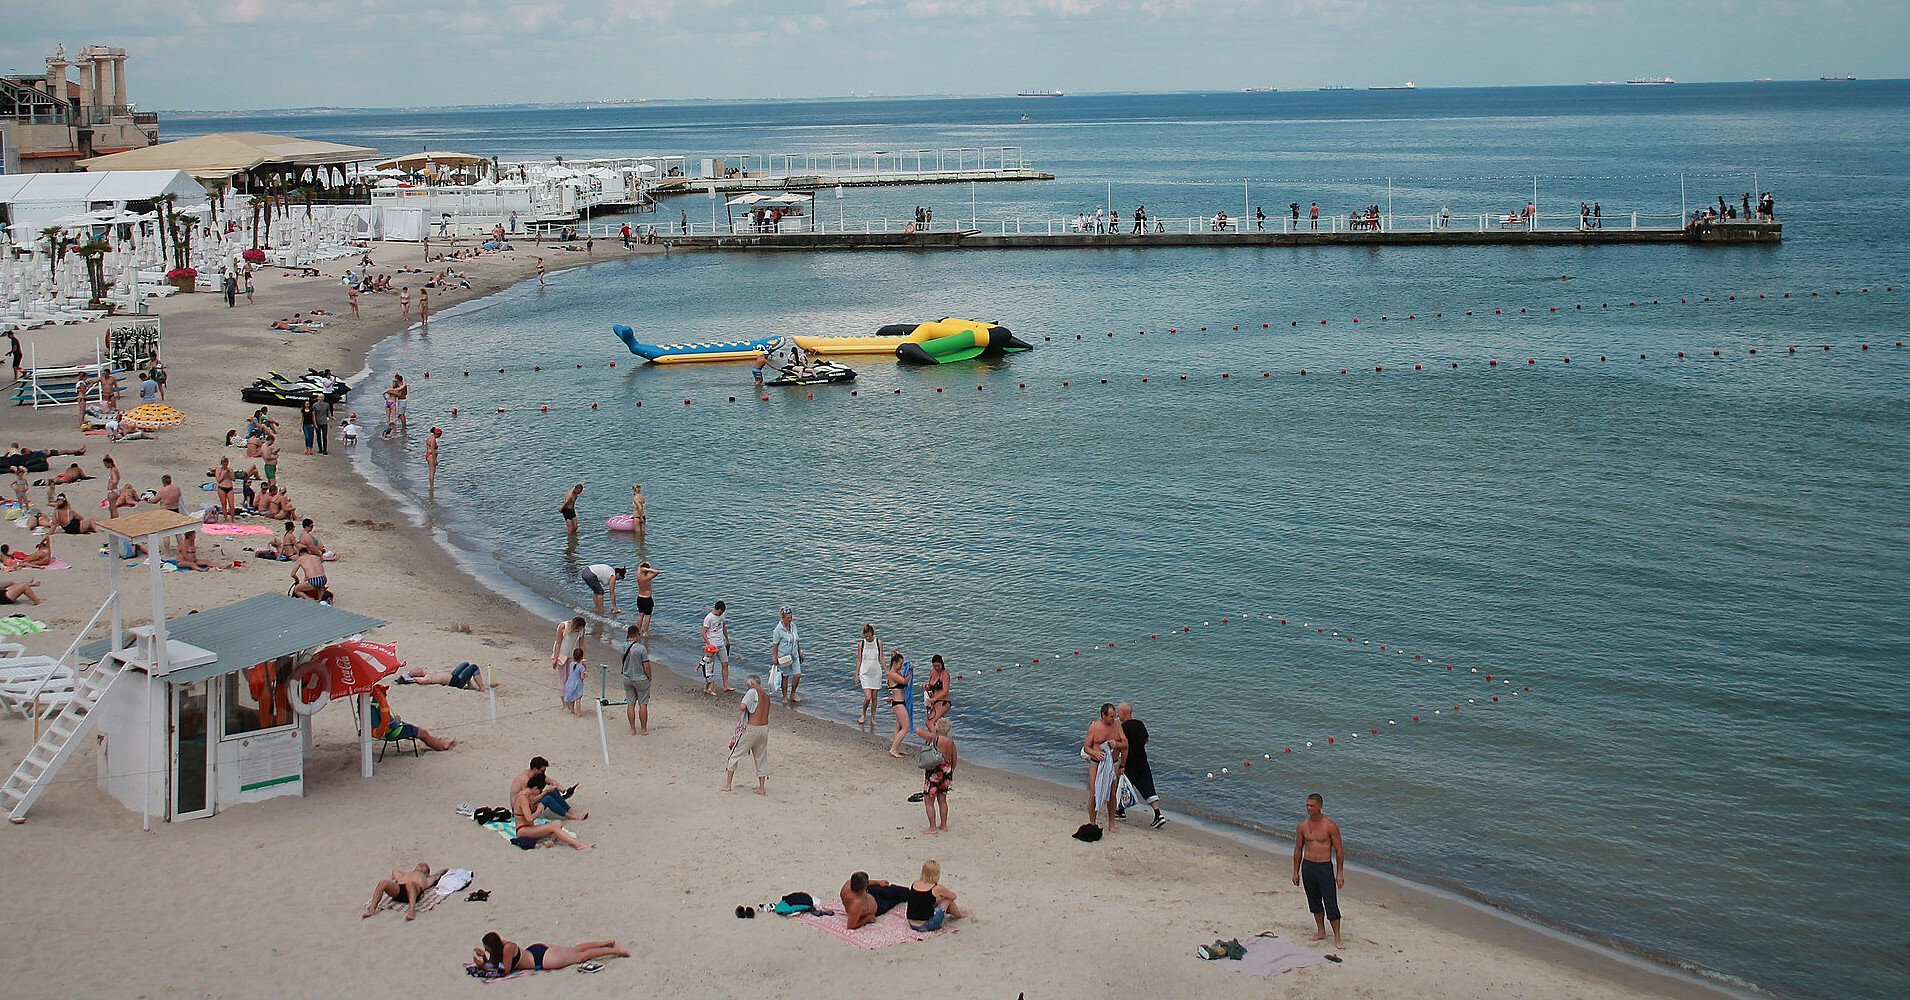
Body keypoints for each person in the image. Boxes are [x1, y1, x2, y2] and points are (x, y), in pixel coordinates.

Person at [1293, 793, 1346, 948]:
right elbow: (1298, 849)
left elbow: (1339, 850)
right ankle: (1321, 931)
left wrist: (1340, 873)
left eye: (1312, 806)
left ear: (1320, 807)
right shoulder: (1302, 826)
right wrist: (1295, 872)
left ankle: (1337, 937)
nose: (1309, 808)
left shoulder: (1330, 826)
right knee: (1314, 901)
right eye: (1307, 805)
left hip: (1324, 867)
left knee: (1330, 902)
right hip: (1308, 866)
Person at [473, 932, 624, 976]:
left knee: (580, 957)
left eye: (487, 949)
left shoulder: (507, 949)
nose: (486, 950)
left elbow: (504, 970)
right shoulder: (502, 947)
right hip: (536, 950)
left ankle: (614, 951)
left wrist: (483, 967)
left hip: (542, 959)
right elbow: (498, 964)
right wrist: (485, 958)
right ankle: (606, 943)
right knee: (574, 950)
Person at [1116, 702, 1167, 828]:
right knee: (1148, 787)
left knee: (1123, 786)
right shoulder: (1140, 724)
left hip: (1129, 762)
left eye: (1119, 712)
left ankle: (1121, 811)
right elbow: (1146, 739)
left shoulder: (1122, 728)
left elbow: (1124, 746)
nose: (1118, 714)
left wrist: (1121, 764)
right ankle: (1158, 814)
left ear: (1124, 713)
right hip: (1142, 760)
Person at [510, 775, 590, 849]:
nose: (539, 793)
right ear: (535, 788)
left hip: (529, 828)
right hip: (523, 830)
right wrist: (538, 811)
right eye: (540, 790)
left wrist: (547, 791)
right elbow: (529, 819)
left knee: (558, 823)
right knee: (554, 827)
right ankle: (577, 845)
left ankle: (550, 841)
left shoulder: (526, 794)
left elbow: (533, 800)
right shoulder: (522, 798)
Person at [721, 674, 770, 795]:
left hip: (752, 728)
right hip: (764, 728)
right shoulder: (766, 695)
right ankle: (761, 788)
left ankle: (728, 785)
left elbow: (742, 706)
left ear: (751, 684)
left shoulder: (752, 692)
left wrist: (747, 706)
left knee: (735, 754)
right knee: (761, 757)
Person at [1083, 702, 1127, 836]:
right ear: (1103, 715)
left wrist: (1117, 743)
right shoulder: (1094, 727)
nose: (1113, 719)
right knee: (1094, 793)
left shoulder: (1117, 725)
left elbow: (1125, 744)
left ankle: (1111, 823)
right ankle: (1092, 822)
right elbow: (1086, 747)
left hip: (1112, 762)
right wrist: (1095, 753)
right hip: (1097, 763)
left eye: (1115, 716)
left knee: (1111, 793)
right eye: (1111, 717)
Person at [510, 756, 585, 820]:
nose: (544, 773)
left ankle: (570, 811)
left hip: (528, 804)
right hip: (521, 810)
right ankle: (570, 816)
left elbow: (552, 782)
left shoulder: (536, 775)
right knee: (547, 799)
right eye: (542, 771)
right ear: (535, 769)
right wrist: (546, 792)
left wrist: (565, 791)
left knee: (553, 791)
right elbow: (531, 800)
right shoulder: (525, 780)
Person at [915, 717, 956, 834]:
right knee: (942, 800)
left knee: (929, 801)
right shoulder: (951, 742)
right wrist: (950, 771)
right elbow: (954, 759)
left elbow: (919, 731)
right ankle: (943, 824)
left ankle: (932, 827)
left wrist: (926, 729)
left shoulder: (935, 739)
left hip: (933, 773)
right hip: (946, 772)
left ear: (937, 728)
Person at [362, 862, 441, 921]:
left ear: (427, 872)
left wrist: (444, 871)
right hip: (400, 890)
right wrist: (405, 875)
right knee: (383, 882)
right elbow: (395, 871)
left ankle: (411, 910)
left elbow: (438, 875)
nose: (422, 866)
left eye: (424, 866)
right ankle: (372, 909)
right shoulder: (405, 874)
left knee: (410, 884)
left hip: (415, 890)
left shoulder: (427, 878)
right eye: (420, 864)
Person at [905, 860, 969, 932]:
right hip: (926, 925)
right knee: (947, 901)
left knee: (935, 898)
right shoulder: (936, 888)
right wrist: (943, 895)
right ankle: (959, 915)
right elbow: (953, 896)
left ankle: (953, 912)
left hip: (911, 923)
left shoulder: (914, 884)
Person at [841, 871, 912, 930]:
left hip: (871, 893)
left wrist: (878, 882)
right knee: (897, 898)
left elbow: (866, 883)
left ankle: (913, 892)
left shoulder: (849, 884)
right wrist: (867, 919)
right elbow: (850, 926)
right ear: (863, 888)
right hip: (879, 906)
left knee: (893, 889)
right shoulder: (856, 903)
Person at [619, 624, 651, 735]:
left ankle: (632, 729)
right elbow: (646, 665)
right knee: (643, 704)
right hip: (640, 678)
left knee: (630, 704)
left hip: (628, 677)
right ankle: (643, 729)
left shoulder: (623, 646)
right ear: (637, 635)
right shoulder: (641, 648)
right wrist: (649, 677)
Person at [769, 606, 804, 705]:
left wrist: (799, 651)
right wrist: (775, 658)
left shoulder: (793, 626)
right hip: (784, 656)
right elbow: (775, 645)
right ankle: (784, 696)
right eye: (788, 618)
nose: (790, 620)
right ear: (783, 618)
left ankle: (792, 694)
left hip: (794, 655)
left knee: (797, 675)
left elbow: (796, 640)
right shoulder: (778, 630)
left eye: (791, 617)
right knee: (785, 676)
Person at [854, 623, 884, 725]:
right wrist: (856, 674)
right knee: (868, 697)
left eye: (869, 635)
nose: (867, 637)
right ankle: (863, 714)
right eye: (865, 635)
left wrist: (887, 671)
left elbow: (881, 658)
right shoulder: (861, 644)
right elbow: (859, 660)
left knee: (874, 697)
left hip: (876, 671)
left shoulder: (878, 642)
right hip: (865, 672)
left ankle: (872, 718)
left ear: (872, 633)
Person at [701, 600, 733, 694]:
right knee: (710, 667)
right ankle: (709, 687)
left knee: (725, 663)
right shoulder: (709, 618)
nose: (721, 614)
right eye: (720, 612)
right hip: (712, 645)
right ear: (717, 609)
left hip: (721, 643)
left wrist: (727, 639)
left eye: (722, 612)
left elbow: (723, 627)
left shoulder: (722, 616)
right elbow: (703, 632)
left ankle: (726, 685)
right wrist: (708, 644)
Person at [392, 662, 489, 692]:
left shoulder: (425, 672)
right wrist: (411, 679)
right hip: (456, 682)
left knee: (465, 664)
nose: (418, 668)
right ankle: (482, 687)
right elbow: (420, 681)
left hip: (452, 676)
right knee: (473, 667)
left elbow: (406, 673)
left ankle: (470, 685)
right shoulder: (425, 678)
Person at [886, 652, 912, 757]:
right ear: (895, 663)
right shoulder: (892, 674)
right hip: (898, 703)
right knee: (906, 727)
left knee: (899, 727)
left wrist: (904, 669)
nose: (901, 665)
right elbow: (905, 682)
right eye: (900, 663)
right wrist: (910, 671)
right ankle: (893, 749)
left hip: (900, 703)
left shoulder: (897, 673)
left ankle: (897, 747)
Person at [924, 654, 951, 725]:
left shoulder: (945, 674)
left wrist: (934, 699)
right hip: (933, 701)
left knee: (930, 723)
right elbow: (931, 686)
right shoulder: (932, 672)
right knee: (937, 724)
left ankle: (935, 736)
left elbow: (945, 691)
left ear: (942, 664)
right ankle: (939, 735)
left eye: (938, 666)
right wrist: (926, 687)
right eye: (934, 666)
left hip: (943, 701)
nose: (937, 668)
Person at [632, 561, 658, 636]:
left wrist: (642, 566)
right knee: (647, 616)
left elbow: (639, 566)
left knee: (640, 615)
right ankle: (645, 632)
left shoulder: (638, 575)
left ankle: (638, 631)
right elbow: (657, 572)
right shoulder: (647, 578)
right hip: (647, 598)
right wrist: (648, 570)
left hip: (639, 597)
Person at [561, 646, 587, 716]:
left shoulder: (571, 664)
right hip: (577, 684)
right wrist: (585, 675)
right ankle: (578, 712)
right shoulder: (581, 667)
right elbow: (582, 677)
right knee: (578, 698)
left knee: (572, 698)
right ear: (581, 657)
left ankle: (572, 710)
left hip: (570, 683)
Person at [425, 427, 442, 492]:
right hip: (431, 456)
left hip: (428, 455)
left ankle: (431, 486)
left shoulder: (429, 437)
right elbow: (432, 449)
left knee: (431, 471)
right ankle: (432, 487)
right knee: (432, 472)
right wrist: (435, 460)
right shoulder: (433, 439)